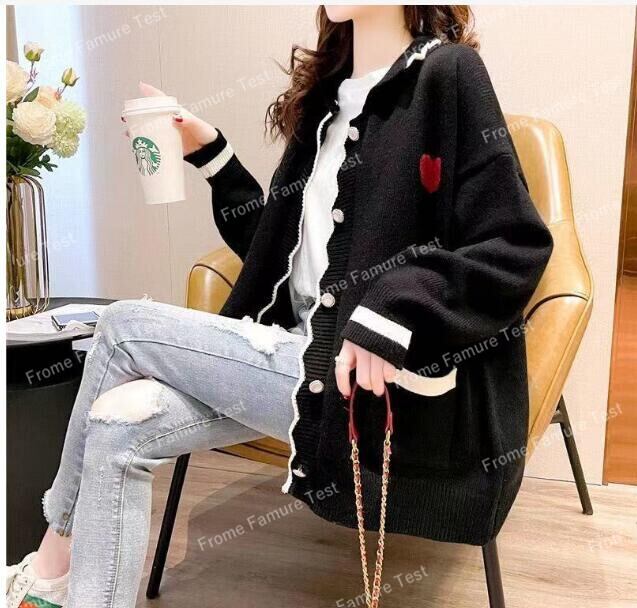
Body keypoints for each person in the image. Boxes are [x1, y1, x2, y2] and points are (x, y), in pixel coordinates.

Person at [7, 5, 553, 607]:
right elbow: (273, 255)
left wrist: (396, 306)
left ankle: (48, 564)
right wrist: (214, 156)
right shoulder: (327, 103)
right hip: (290, 358)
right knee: (117, 425)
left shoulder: (448, 76)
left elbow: (513, 244)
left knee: (122, 326)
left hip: (366, 382)